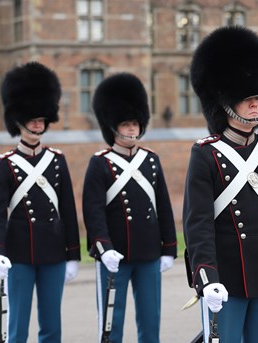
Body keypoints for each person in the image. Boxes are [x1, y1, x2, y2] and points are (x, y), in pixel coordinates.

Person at [183, 26, 258, 343]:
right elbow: (198, 224)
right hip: (225, 278)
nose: (255, 105)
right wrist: (206, 277)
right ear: (225, 103)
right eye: (246, 98)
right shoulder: (205, 154)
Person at [0, 61, 80, 342]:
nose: (38, 124)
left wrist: (72, 254)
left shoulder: (57, 160)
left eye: (42, 119)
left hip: (53, 254)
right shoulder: (5, 164)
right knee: (18, 325)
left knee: (51, 326)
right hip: (19, 255)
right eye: (32, 119)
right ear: (19, 120)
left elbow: (68, 211)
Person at [83, 73, 177, 343]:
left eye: (135, 123)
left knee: (150, 323)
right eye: (126, 124)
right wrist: (103, 247)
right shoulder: (100, 163)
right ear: (112, 127)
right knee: (112, 326)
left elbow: (163, 205)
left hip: (148, 253)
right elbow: (94, 211)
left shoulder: (150, 160)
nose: (132, 129)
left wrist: (168, 248)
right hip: (115, 256)